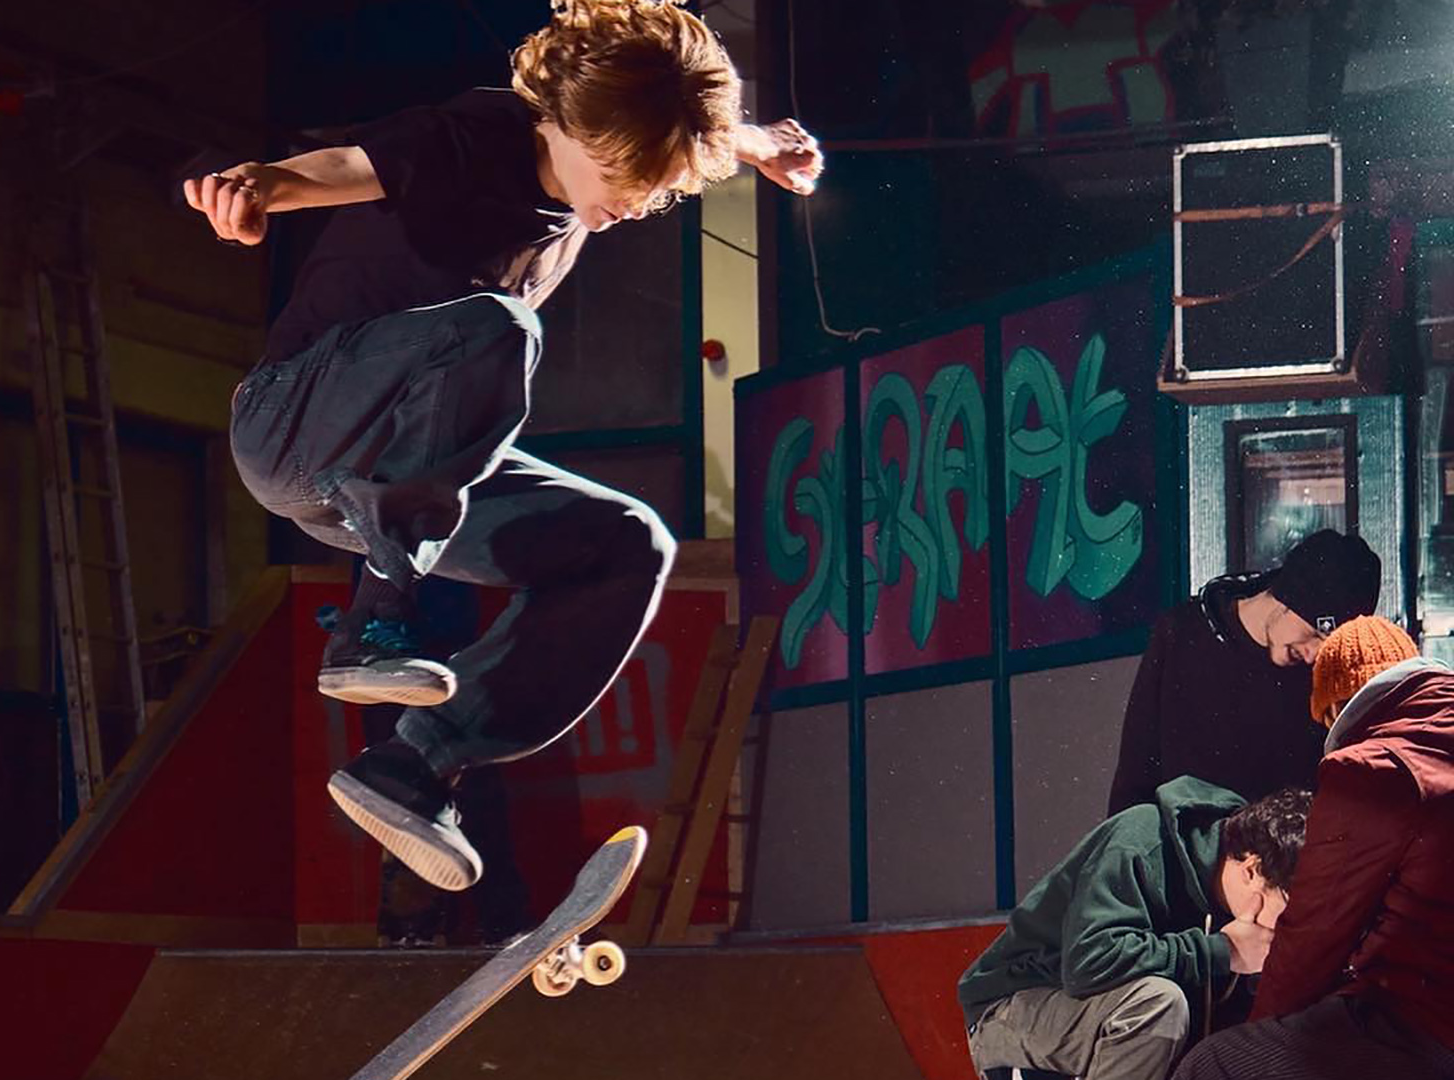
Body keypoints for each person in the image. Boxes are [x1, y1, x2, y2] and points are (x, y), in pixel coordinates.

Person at [184, 0, 824, 891]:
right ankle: (373, 629)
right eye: (622, 173)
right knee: (498, 327)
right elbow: (346, 165)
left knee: (628, 542)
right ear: (566, 125)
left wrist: (756, 145)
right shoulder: (477, 135)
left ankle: (415, 766)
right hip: (297, 420)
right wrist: (257, 187)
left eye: (658, 185)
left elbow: (680, 118)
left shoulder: (630, 137)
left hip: (378, 480)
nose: (635, 199)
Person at [1171, 617, 1454, 1080]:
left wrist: (1261, 1035)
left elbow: (1315, 932)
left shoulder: (1368, 769)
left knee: (1213, 1063)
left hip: (1426, 1024)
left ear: (1342, 705)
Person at [959, 779, 1312, 1080]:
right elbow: (1088, 965)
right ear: (1251, 869)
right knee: (1158, 1004)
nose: (1286, 928)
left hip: (1104, 1024)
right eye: (1288, 906)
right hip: (1011, 1011)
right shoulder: (1141, 839)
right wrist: (1223, 951)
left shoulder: (1236, 903)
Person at [1108, 529, 1380, 815]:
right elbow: (1136, 768)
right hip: (1186, 852)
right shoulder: (1182, 633)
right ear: (1286, 599)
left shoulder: (1320, 679)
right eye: (1313, 633)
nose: (1313, 655)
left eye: (1326, 647)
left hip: (1282, 852)